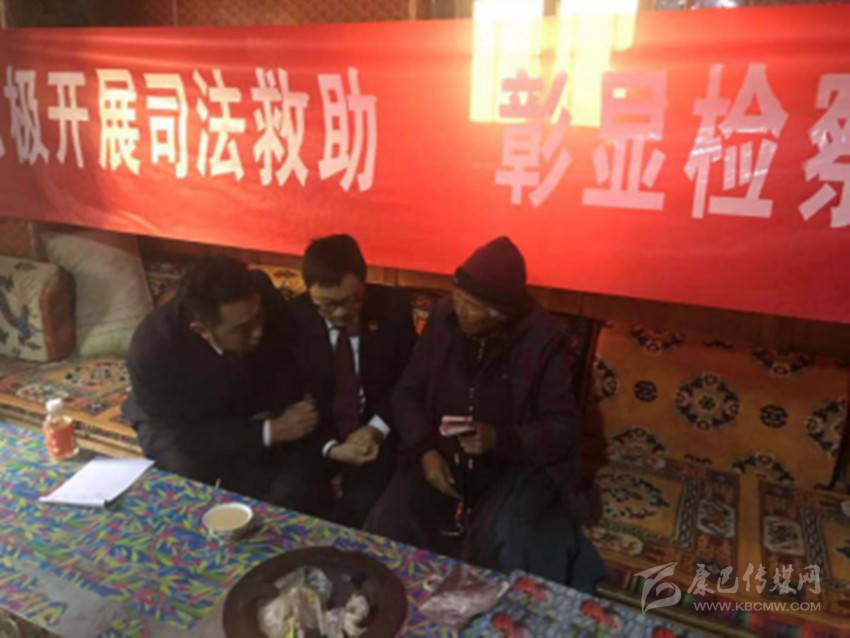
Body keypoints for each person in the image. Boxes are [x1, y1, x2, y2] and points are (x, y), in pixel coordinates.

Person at [365, 237, 605, 592]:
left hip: (509, 467)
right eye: (457, 297)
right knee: (390, 517)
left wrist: (498, 439)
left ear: (500, 314)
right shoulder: (444, 319)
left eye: (471, 305)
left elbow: (563, 428)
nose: (458, 309)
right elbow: (407, 392)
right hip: (440, 457)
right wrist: (425, 451)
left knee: (507, 536)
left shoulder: (541, 339)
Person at [122, 255, 319, 503]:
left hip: (251, 399)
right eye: (242, 329)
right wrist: (268, 430)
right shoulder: (154, 347)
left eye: (258, 317)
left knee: (292, 479)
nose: (257, 332)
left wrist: (281, 411)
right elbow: (184, 436)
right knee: (187, 479)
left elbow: (287, 359)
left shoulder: (260, 293)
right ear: (202, 330)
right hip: (181, 422)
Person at [287, 234, 417, 527]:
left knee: (365, 509)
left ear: (364, 283)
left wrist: (376, 429)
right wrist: (330, 447)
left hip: (376, 429)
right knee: (291, 495)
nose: (341, 313)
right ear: (310, 293)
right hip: (319, 434)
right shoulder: (295, 317)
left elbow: (409, 379)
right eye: (327, 305)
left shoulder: (393, 308)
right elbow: (288, 393)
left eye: (351, 301)